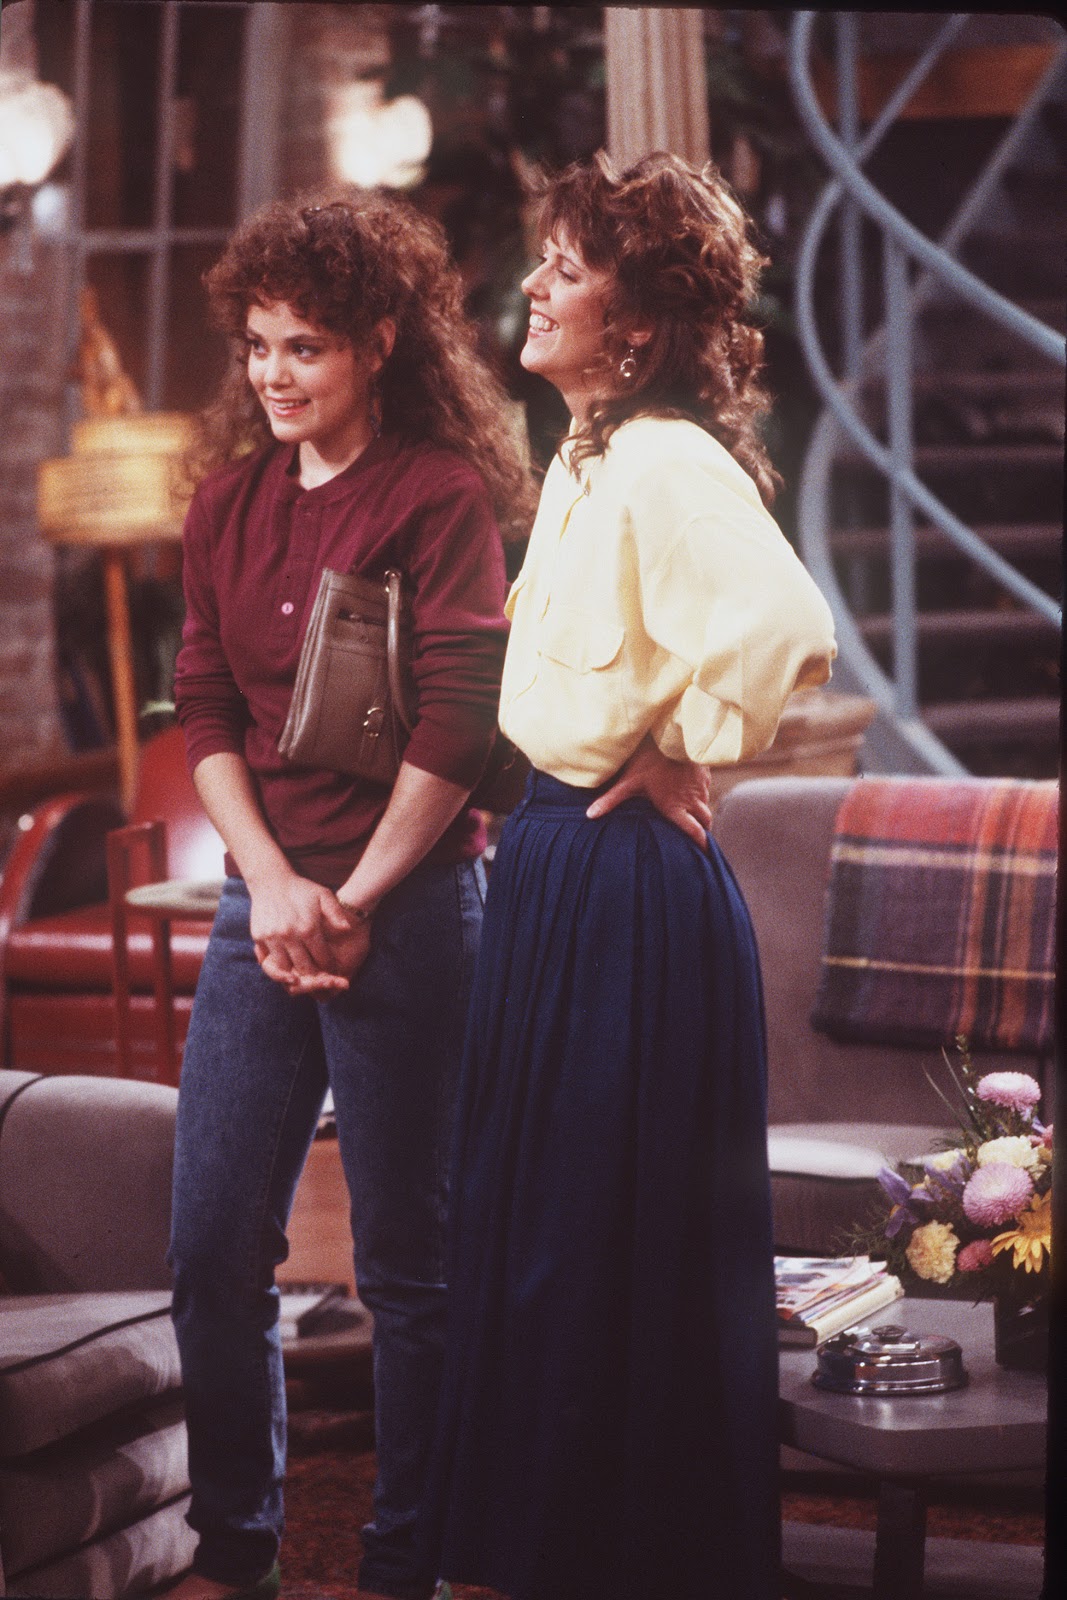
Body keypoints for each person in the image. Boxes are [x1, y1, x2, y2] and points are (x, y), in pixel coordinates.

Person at [420, 151, 838, 1600]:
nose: (533, 284)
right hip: (553, 866)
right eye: (543, 257)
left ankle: (635, 1564)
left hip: (623, 887)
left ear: (639, 326)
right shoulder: (589, 460)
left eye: (569, 267)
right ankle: (552, 1559)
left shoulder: (665, 459)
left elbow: (785, 623)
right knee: (545, 1237)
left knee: (603, 1249)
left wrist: (686, 750)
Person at [166, 191, 533, 1600]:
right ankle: (234, 1549)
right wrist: (269, 886)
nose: (272, 374)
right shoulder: (224, 505)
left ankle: (407, 1562)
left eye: (304, 347)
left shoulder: (437, 495)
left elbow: (456, 721)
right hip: (263, 910)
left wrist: (360, 894)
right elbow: (203, 707)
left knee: (413, 1269)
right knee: (211, 1248)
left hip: (416, 907)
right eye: (258, 346)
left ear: (379, 342)